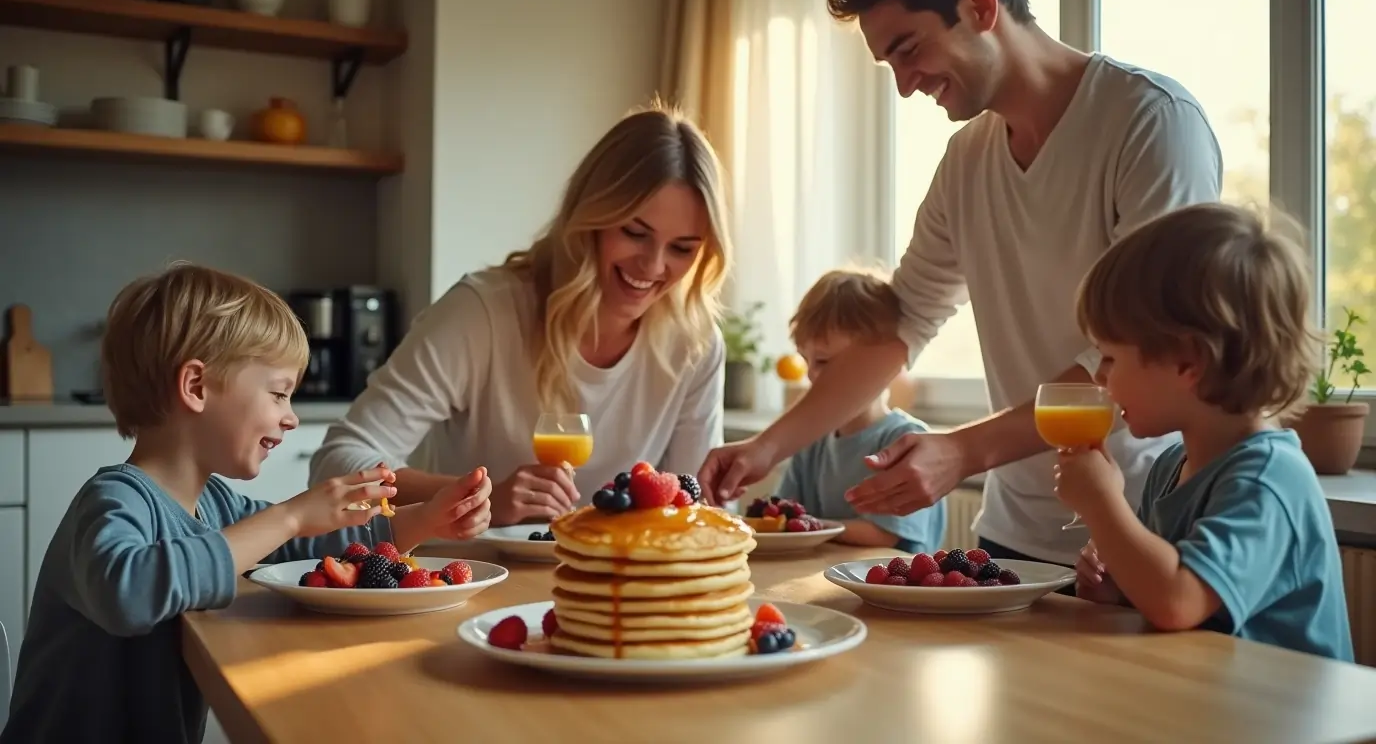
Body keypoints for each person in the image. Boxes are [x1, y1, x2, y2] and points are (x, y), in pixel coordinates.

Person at [699, 0, 1223, 567]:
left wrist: (963, 451)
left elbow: (1139, 349)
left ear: (979, 5)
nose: (902, 87)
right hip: (1012, 531)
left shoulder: (1151, 122)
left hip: (1144, 529)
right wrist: (766, 448)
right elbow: (900, 328)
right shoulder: (966, 161)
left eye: (908, 49)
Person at [1, 263, 494, 743]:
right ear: (196, 387)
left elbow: (298, 545)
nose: (291, 418)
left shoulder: (213, 503)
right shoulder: (113, 501)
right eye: (279, 394)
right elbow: (129, 593)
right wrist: (291, 514)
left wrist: (425, 518)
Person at [309, 101, 732, 528]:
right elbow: (337, 462)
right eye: (635, 233)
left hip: (611, 584)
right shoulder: (482, 313)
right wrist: (476, 498)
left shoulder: (694, 343)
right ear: (591, 218)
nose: (653, 266)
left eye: (682, 248)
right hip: (467, 582)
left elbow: (694, 511)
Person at [1058, 203, 1352, 661]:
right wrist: (1117, 587)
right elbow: (1167, 602)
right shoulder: (1171, 467)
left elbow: (1178, 602)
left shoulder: (1268, 480)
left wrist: (1101, 502)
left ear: (1189, 362)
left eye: (1110, 358)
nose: (1100, 379)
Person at [768, 269, 946, 553]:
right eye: (806, 361)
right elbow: (780, 514)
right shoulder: (811, 440)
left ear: (882, 362)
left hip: (894, 590)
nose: (813, 376)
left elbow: (883, 534)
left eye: (825, 362)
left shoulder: (906, 440)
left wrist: (809, 525)